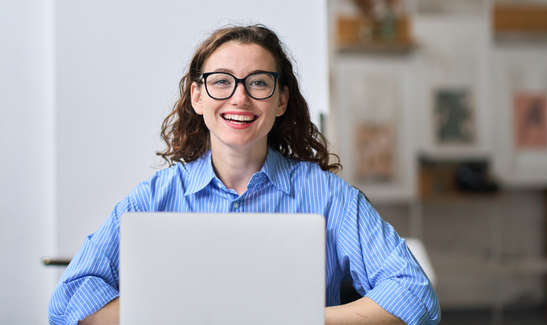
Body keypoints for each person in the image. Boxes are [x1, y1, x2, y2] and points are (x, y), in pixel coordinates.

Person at [48, 24, 440, 325]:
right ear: (197, 97)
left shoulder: (330, 197)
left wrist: (295, 319)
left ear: (281, 99)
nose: (240, 97)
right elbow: (71, 296)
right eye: (221, 81)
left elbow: (414, 294)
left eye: (258, 83)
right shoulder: (155, 196)